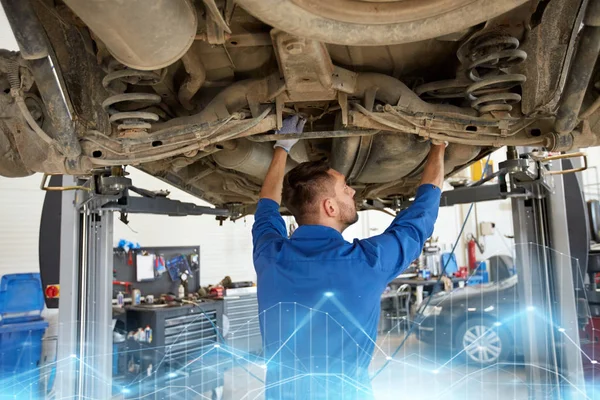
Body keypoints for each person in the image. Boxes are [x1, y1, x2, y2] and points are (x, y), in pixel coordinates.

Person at [252, 115, 444, 399]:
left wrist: (282, 146)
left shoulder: (270, 257)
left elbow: (266, 205)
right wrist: (439, 146)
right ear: (329, 207)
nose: (352, 191)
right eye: (345, 188)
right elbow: (420, 217)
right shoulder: (368, 262)